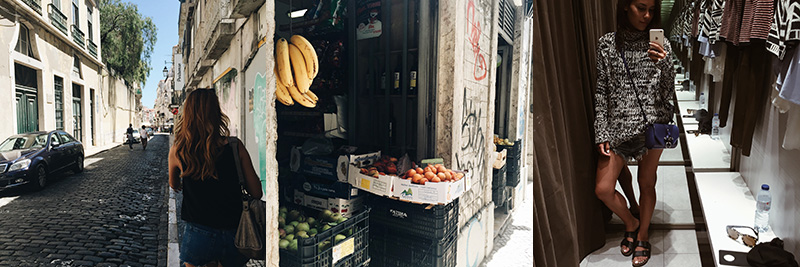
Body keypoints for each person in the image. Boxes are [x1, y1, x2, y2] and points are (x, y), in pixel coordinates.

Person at [593, 0, 674, 266]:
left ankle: (642, 234)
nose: (648, 16)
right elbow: (601, 91)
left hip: (652, 126)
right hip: (617, 128)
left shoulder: (663, 46)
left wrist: (664, 66)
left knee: (646, 183)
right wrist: (601, 130)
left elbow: (667, 95)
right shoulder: (607, 44)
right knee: (603, 188)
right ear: (626, 6)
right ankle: (631, 221)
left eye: (652, 10)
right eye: (641, 8)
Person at [168, 89, 262, 267]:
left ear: (187, 114)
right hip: (235, 233)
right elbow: (256, 192)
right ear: (216, 113)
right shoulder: (235, 146)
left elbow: (173, 184)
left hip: (197, 234)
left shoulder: (178, 150)